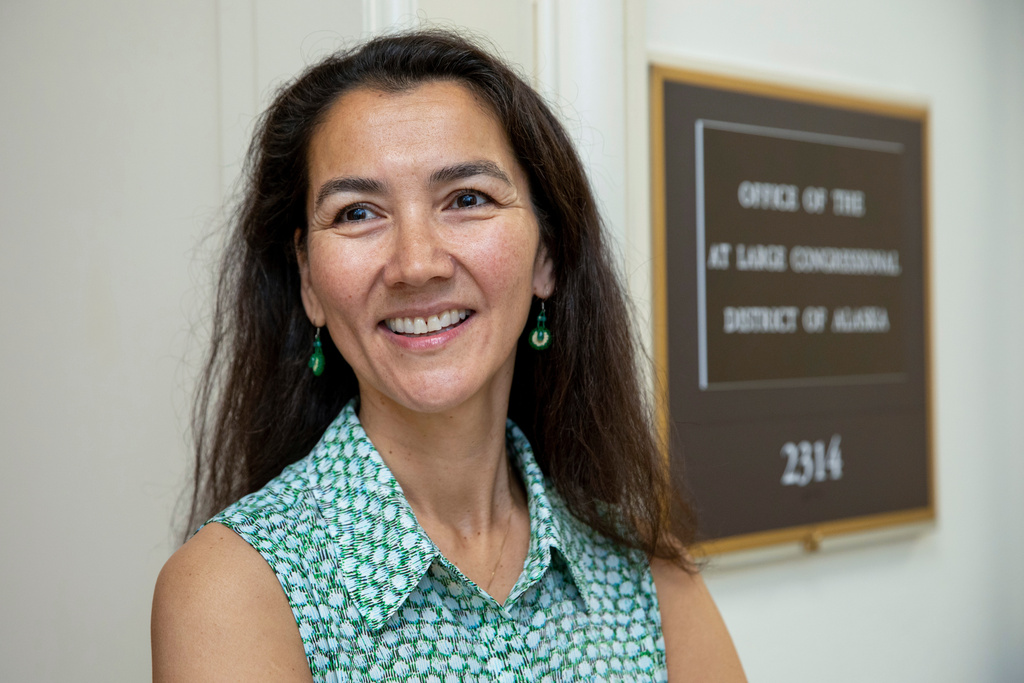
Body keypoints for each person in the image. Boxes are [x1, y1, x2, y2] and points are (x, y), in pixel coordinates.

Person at [152, 29, 746, 682]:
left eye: (467, 199)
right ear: (308, 282)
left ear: (545, 254)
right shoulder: (233, 587)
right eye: (356, 213)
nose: (417, 263)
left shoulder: (649, 577)